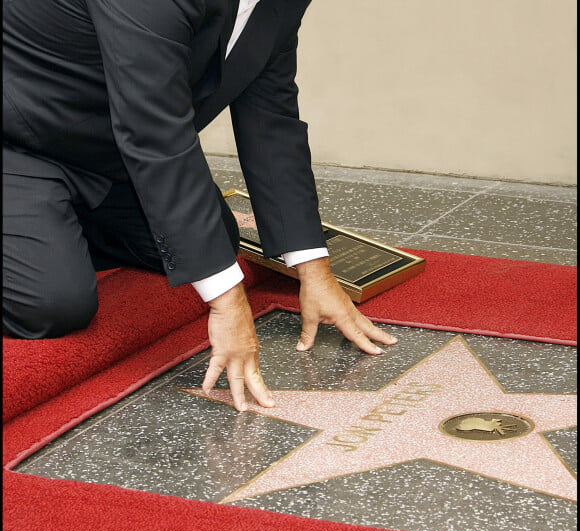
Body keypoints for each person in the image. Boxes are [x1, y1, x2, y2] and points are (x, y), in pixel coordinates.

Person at [3, 0, 397, 412]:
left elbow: (271, 116)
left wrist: (313, 270)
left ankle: (48, 233)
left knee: (214, 244)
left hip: (109, 150)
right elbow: (155, 129)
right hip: (19, 139)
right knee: (51, 302)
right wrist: (228, 304)